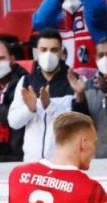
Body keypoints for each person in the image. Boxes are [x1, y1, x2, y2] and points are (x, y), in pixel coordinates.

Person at [7, 30, 76, 162]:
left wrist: (50, 106)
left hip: (63, 164)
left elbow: (76, 124)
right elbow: (13, 122)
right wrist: (30, 110)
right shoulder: (26, 81)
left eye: (54, 50)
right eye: (43, 49)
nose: (48, 54)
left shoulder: (74, 80)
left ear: (62, 52)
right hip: (33, 163)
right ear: (36, 52)